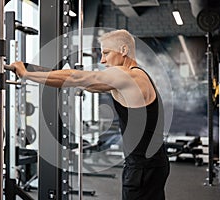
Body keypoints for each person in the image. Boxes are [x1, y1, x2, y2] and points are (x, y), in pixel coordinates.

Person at [10, 29, 170, 200]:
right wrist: (38, 71)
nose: (102, 60)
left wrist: (26, 74)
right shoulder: (139, 75)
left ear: (123, 50)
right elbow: (88, 84)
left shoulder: (126, 75)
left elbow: (76, 79)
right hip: (154, 163)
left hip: (141, 169)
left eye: (106, 53)